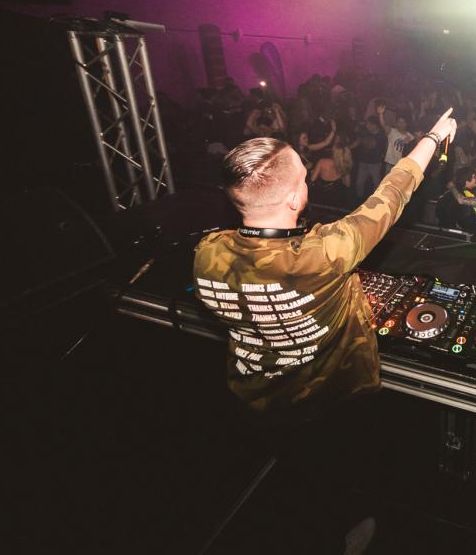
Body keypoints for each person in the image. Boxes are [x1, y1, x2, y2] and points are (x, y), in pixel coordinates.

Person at [192, 108, 458, 415]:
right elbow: (393, 192)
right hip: (328, 394)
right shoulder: (326, 253)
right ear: (294, 199)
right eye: (303, 179)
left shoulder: (206, 254)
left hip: (254, 396)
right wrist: (434, 137)